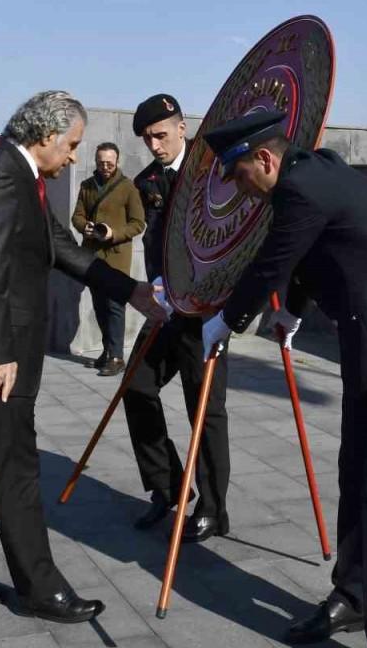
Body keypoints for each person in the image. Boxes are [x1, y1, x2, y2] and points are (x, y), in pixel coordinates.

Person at [201, 111, 367, 648]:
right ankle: (352, 595)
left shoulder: (303, 187)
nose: (239, 189)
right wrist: (293, 312)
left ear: (265, 159)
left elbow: (273, 262)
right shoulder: (312, 177)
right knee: (355, 479)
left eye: (239, 175)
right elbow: (310, 254)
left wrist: (224, 322)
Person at [0, 90, 166, 623]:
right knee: (15, 472)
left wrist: (132, 293)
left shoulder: (20, 176)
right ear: (47, 136)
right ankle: (40, 589)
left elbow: (62, 248)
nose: (75, 156)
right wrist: (0, 354)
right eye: (73, 145)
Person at [122, 94, 232, 543]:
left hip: (206, 313)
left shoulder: (214, 170)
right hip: (167, 309)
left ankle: (212, 507)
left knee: (204, 410)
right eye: (148, 138)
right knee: (136, 386)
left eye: (161, 135)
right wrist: (156, 285)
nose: (154, 145)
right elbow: (152, 244)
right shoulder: (146, 180)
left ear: (182, 128)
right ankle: (168, 486)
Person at [72, 142, 145, 376]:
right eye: (101, 162)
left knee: (115, 307)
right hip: (92, 255)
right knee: (99, 306)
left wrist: (114, 234)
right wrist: (86, 228)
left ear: (117, 161)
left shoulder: (128, 188)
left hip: (116, 257)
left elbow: (138, 223)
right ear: (95, 160)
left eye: (109, 163)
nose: (105, 166)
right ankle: (106, 352)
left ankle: (116, 357)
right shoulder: (87, 186)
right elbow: (77, 216)